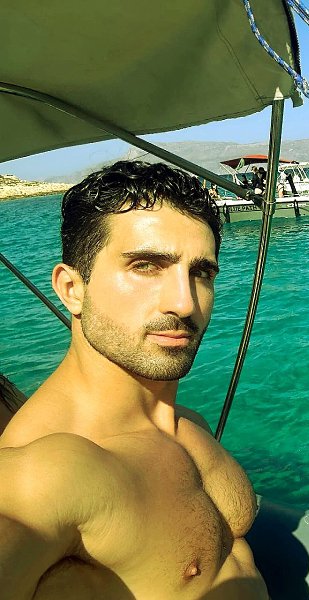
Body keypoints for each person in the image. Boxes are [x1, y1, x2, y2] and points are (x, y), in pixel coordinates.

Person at [0, 161, 268, 599]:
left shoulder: (186, 423)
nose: (185, 303)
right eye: (146, 265)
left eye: (201, 272)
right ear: (72, 289)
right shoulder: (44, 476)